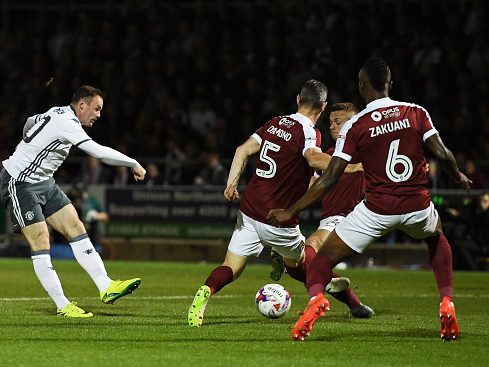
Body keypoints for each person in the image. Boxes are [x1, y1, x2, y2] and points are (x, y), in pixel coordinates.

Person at [267, 57, 472, 342]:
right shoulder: (416, 112)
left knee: (323, 258)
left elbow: (328, 178)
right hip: (417, 204)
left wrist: (291, 211)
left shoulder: (357, 125)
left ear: (362, 86)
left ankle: (316, 300)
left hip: (376, 209)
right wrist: (457, 176)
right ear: (390, 84)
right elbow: (444, 154)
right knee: (437, 238)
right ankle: (447, 302)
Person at [187, 80, 363, 327]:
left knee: (231, 267)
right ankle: (323, 284)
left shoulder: (275, 123)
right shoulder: (310, 132)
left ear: (298, 100)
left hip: (249, 210)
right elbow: (313, 159)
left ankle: (205, 291)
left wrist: (231, 184)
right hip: (277, 218)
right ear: (323, 107)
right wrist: (351, 166)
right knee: (302, 264)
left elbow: (242, 150)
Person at [0, 85, 146, 317]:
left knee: (76, 227)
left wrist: (25, 141)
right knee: (41, 240)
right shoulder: (67, 123)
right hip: (20, 182)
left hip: (44, 182)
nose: (98, 114)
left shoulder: (56, 112)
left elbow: (30, 121)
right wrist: (133, 162)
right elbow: (97, 152)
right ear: (82, 105)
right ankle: (62, 305)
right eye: (96, 109)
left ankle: (106, 286)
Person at [270, 102, 373, 318]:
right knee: (297, 267)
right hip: (329, 220)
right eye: (331, 122)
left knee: (312, 245)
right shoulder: (329, 155)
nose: (333, 127)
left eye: (338, 122)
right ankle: (355, 305)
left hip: (351, 218)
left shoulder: (365, 151)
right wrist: (289, 209)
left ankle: (315, 303)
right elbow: (311, 189)